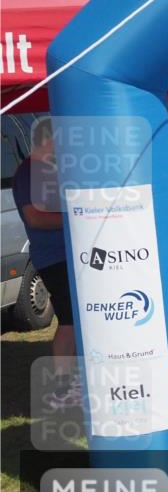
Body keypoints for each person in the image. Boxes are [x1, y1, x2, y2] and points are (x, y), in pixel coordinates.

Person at [12, 119, 78, 407]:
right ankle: (63, 389)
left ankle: (73, 384)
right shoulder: (30, 172)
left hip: (68, 255)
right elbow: (35, 217)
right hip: (55, 257)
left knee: (74, 320)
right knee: (70, 321)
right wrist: (77, 220)